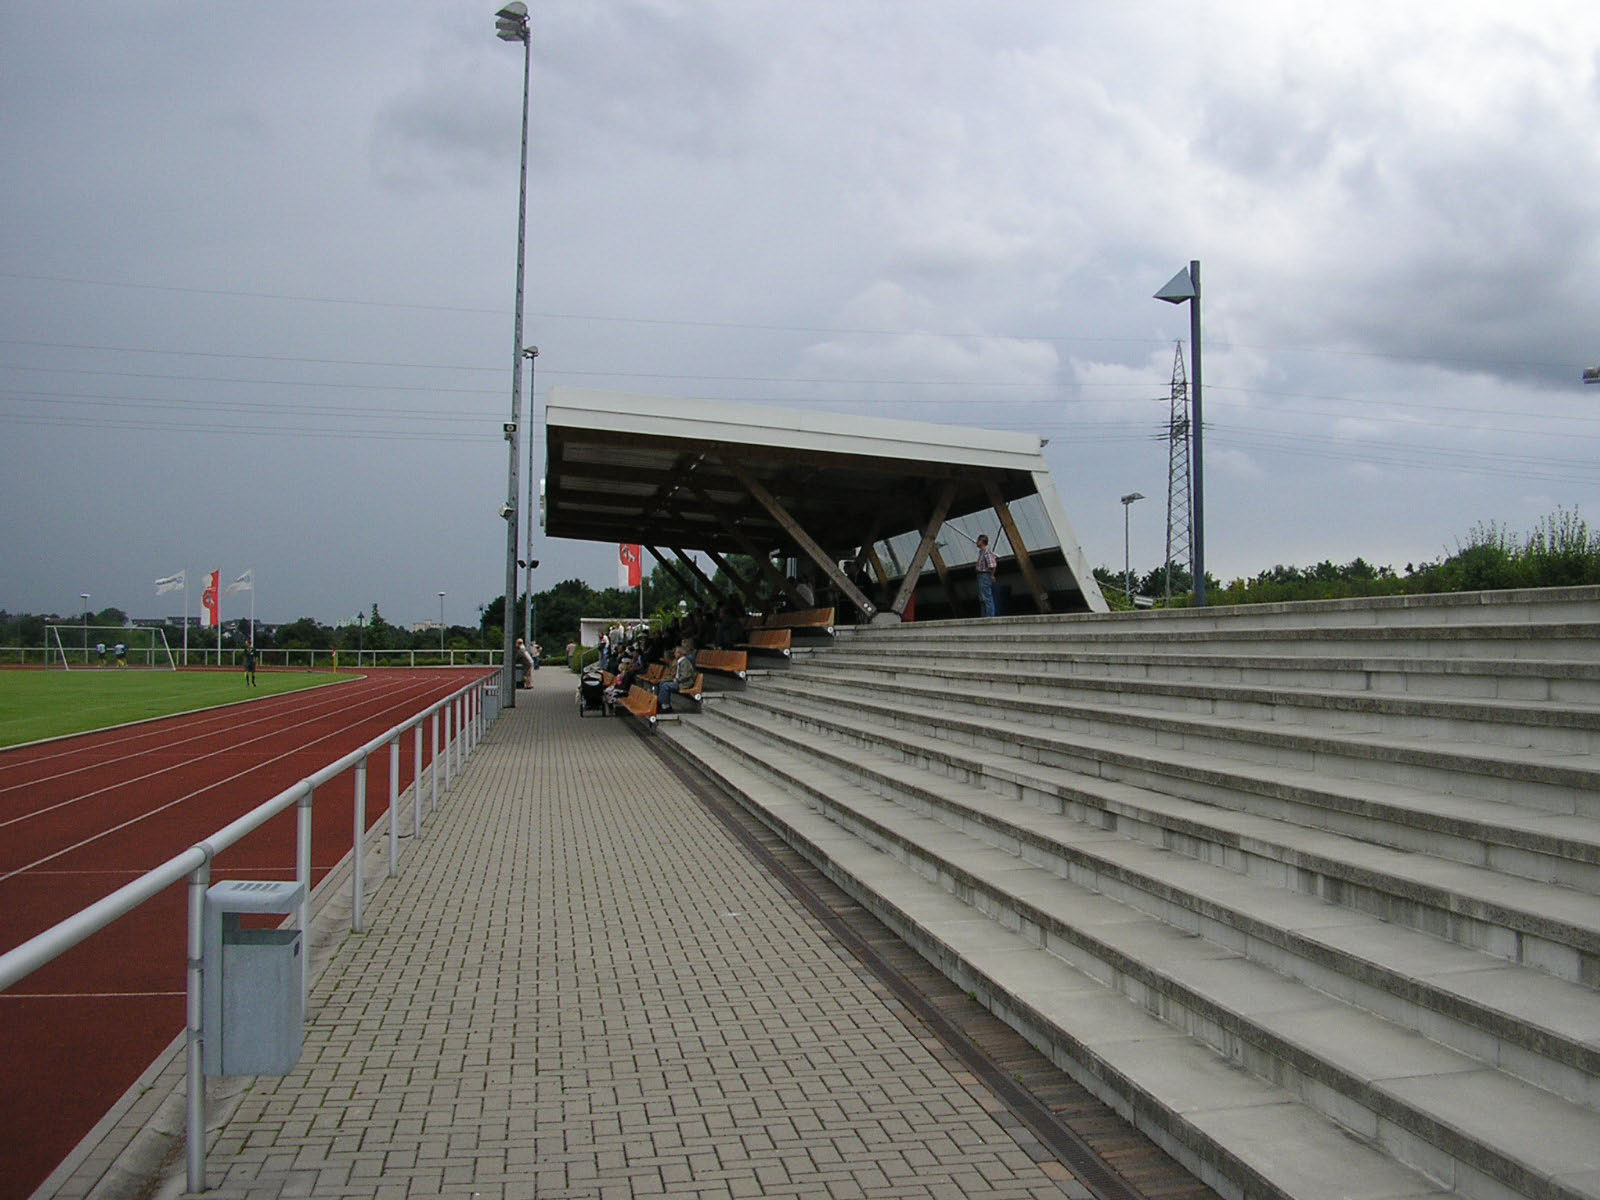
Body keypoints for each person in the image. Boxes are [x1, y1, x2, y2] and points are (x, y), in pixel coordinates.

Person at [656, 640, 696, 714]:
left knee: (665, 685)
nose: (674, 654)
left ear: (680, 653)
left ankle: (667, 707)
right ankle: (661, 703)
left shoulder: (685, 662)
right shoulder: (680, 661)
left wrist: (677, 680)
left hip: (685, 683)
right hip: (680, 682)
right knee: (662, 683)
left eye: (675, 652)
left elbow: (685, 676)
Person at [975, 534, 999, 618]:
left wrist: (991, 575)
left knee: (986, 596)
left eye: (978, 540)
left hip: (985, 575)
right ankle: (984, 615)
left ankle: (989, 616)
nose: (976, 542)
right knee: (982, 597)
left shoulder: (987, 552)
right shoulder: (981, 552)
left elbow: (993, 565)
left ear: (982, 541)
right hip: (981, 575)